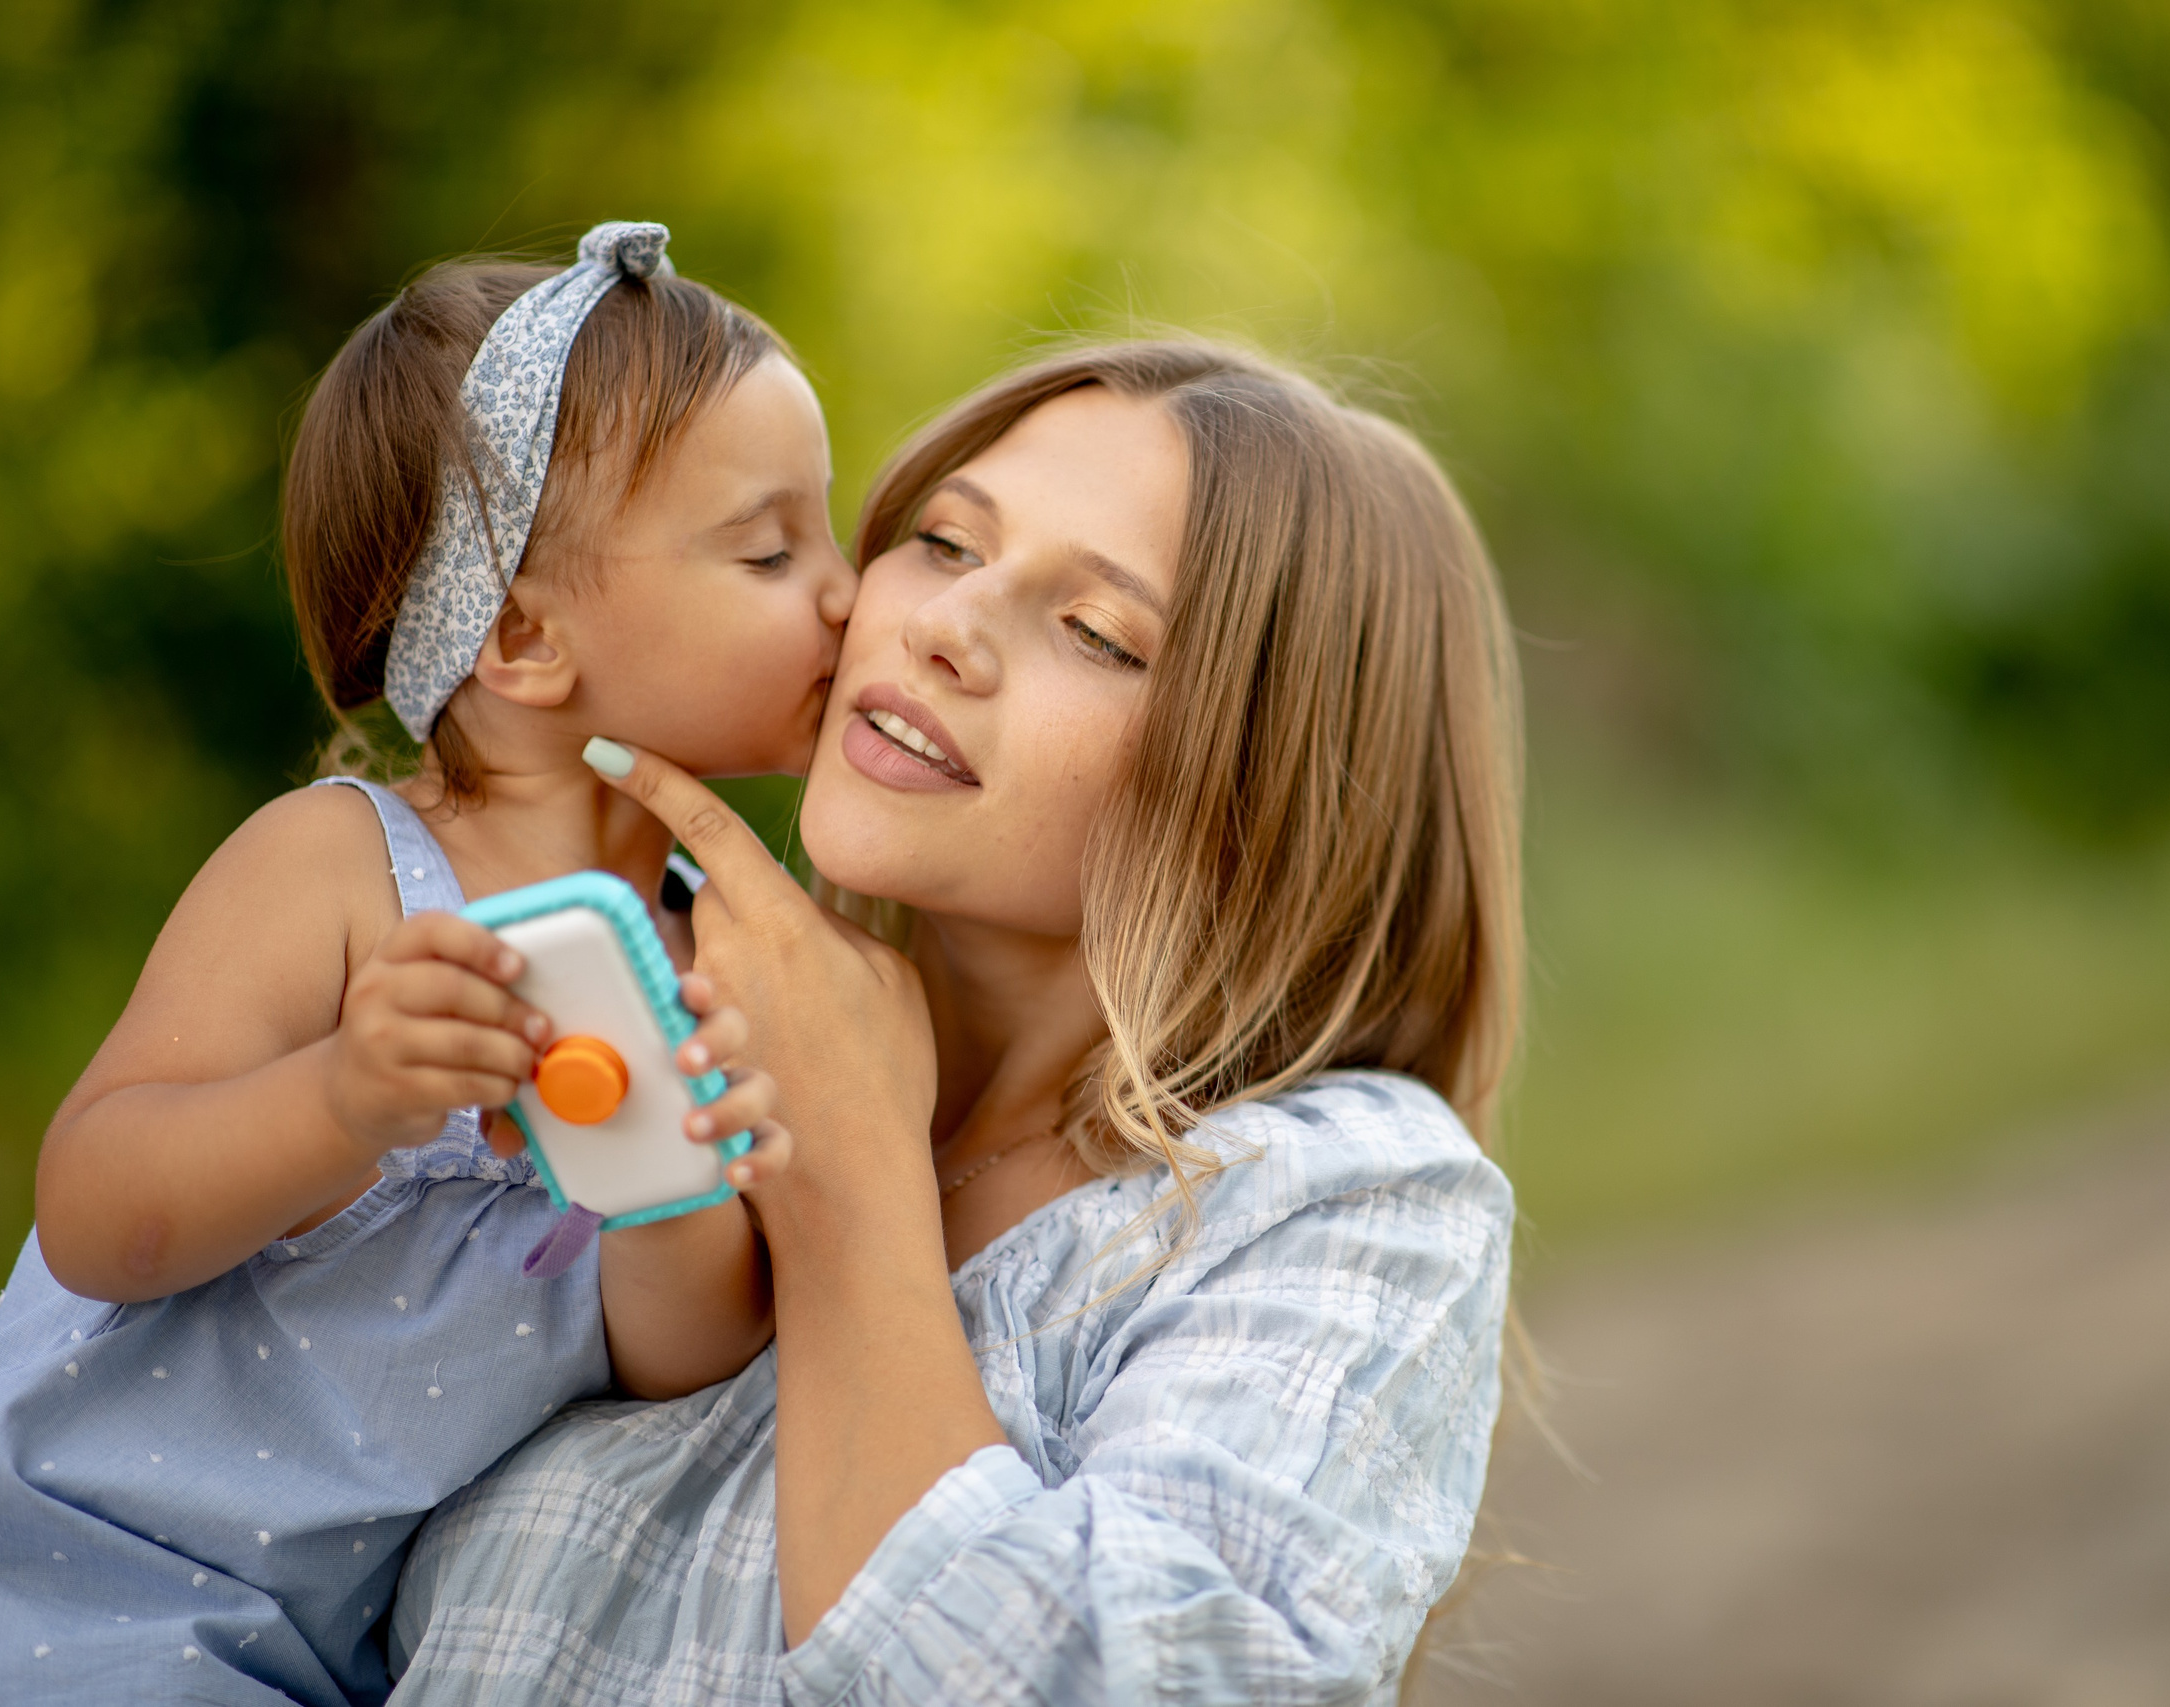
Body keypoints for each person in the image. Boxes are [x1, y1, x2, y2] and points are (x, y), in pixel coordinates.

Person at [390, 340, 1524, 1705]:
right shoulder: (626, 1024)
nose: (943, 626)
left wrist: (849, 1188)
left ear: (1265, 795)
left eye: (1099, 634)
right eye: (942, 541)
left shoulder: (1346, 1194)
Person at [0, 222, 839, 1704]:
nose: (846, 589)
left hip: (304, 1661)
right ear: (519, 635)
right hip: (61, 1578)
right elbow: (97, 1217)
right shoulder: (343, 870)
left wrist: (661, 1179)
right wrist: (341, 1100)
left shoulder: (730, 952)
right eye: (772, 548)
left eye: (833, 531)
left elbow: (680, 1355)